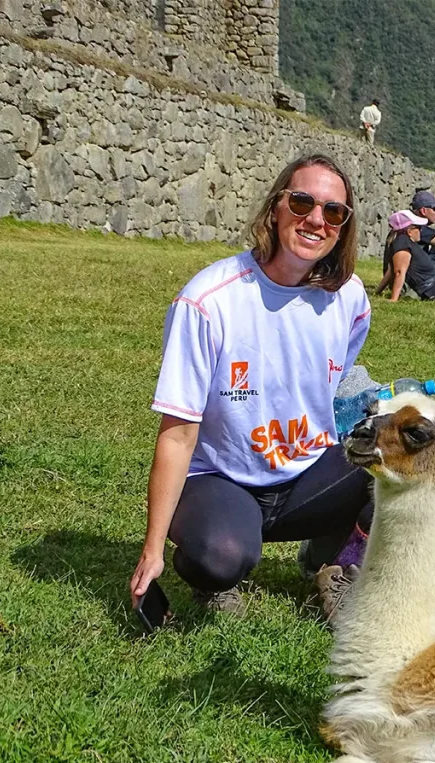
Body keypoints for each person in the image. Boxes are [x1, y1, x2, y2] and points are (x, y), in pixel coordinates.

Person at [130, 154, 375, 618]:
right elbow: (179, 433)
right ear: (276, 208)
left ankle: (335, 565)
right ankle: (217, 571)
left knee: (409, 455)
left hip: (307, 473)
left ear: (343, 227)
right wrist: (153, 549)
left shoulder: (349, 298)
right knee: (219, 554)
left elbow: (337, 373)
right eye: (302, 203)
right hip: (222, 477)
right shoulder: (208, 301)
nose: (316, 220)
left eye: (334, 212)